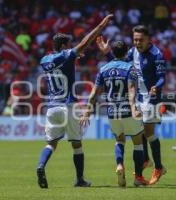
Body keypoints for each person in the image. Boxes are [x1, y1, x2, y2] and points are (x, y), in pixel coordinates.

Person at [36, 14, 113, 189]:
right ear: (64, 46)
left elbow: (60, 60)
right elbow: (84, 43)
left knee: (51, 143)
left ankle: (41, 166)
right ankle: (79, 180)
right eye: (69, 46)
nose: (72, 48)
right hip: (67, 105)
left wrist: (73, 57)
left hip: (51, 107)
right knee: (77, 143)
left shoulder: (44, 60)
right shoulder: (66, 55)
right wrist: (100, 25)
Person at [96, 25, 167, 184]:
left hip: (151, 98)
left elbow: (162, 77)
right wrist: (108, 53)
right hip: (137, 99)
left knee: (149, 133)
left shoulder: (157, 55)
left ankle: (159, 167)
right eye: (135, 39)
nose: (137, 43)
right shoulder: (132, 52)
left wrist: (157, 86)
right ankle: (145, 160)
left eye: (141, 40)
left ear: (149, 40)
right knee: (138, 131)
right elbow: (118, 64)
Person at [80, 40, 149, 187]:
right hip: (127, 111)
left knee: (119, 140)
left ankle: (119, 165)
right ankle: (138, 178)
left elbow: (94, 93)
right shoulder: (130, 68)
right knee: (138, 142)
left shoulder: (103, 69)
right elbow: (131, 90)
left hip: (112, 112)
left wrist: (87, 112)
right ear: (126, 53)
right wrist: (133, 108)